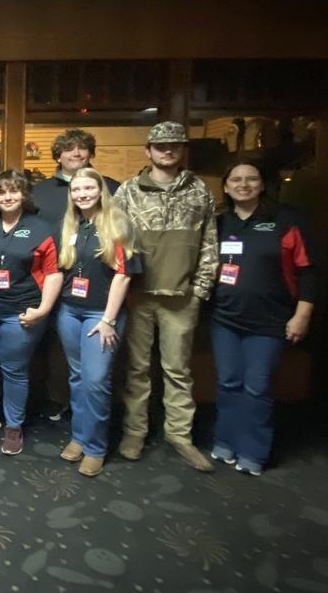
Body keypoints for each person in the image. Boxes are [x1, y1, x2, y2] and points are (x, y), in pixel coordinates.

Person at [113, 121, 217, 472]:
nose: (168, 150)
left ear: (183, 149)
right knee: (137, 369)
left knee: (178, 370)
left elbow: (209, 243)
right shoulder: (127, 191)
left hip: (181, 296)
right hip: (139, 295)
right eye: (161, 146)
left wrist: (200, 289)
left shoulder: (199, 190)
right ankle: (134, 432)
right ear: (149, 151)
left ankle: (180, 435)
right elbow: (115, 243)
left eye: (175, 145)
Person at [209, 161, 315, 476]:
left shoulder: (286, 220)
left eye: (251, 178)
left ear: (262, 184)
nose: (244, 184)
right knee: (228, 382)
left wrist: (302, 314)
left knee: (257, 387)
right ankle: (225, 441)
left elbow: (308, 270)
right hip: (224, 317)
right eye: (236, 179)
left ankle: (253, 451)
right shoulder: (219, 223)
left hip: (270, 320)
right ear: (226, 187)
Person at [0, 169, 62, 456]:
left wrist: (42, 310)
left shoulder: (42, 228)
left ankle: (14, 426)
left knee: (14, 369)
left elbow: (53, 273)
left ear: (23, 194)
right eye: (2, 192)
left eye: (13, 191)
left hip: (22, 309)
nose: (7, 197)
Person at [55, 168, 139, 477]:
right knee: (77, 378)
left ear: (100, 190)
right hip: (69, 311)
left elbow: (123, 274)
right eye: (76, 190)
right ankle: (79, 436)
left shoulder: (117, 224)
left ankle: (95, 448)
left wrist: (108, 319)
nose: (82, 194)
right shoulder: (71, 225)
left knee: (96, 381)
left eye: (88, 188)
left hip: (100, 316)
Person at [31, 129, 120, 422]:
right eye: (69, 149)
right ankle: (56, 398)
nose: (77, 154)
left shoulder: (111, 188)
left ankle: (91, 418)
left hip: (97, 287)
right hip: (51, 281)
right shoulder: (40, 191)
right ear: (58, 155)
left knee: (94, 364)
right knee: (52, 347)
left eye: (82, 148)